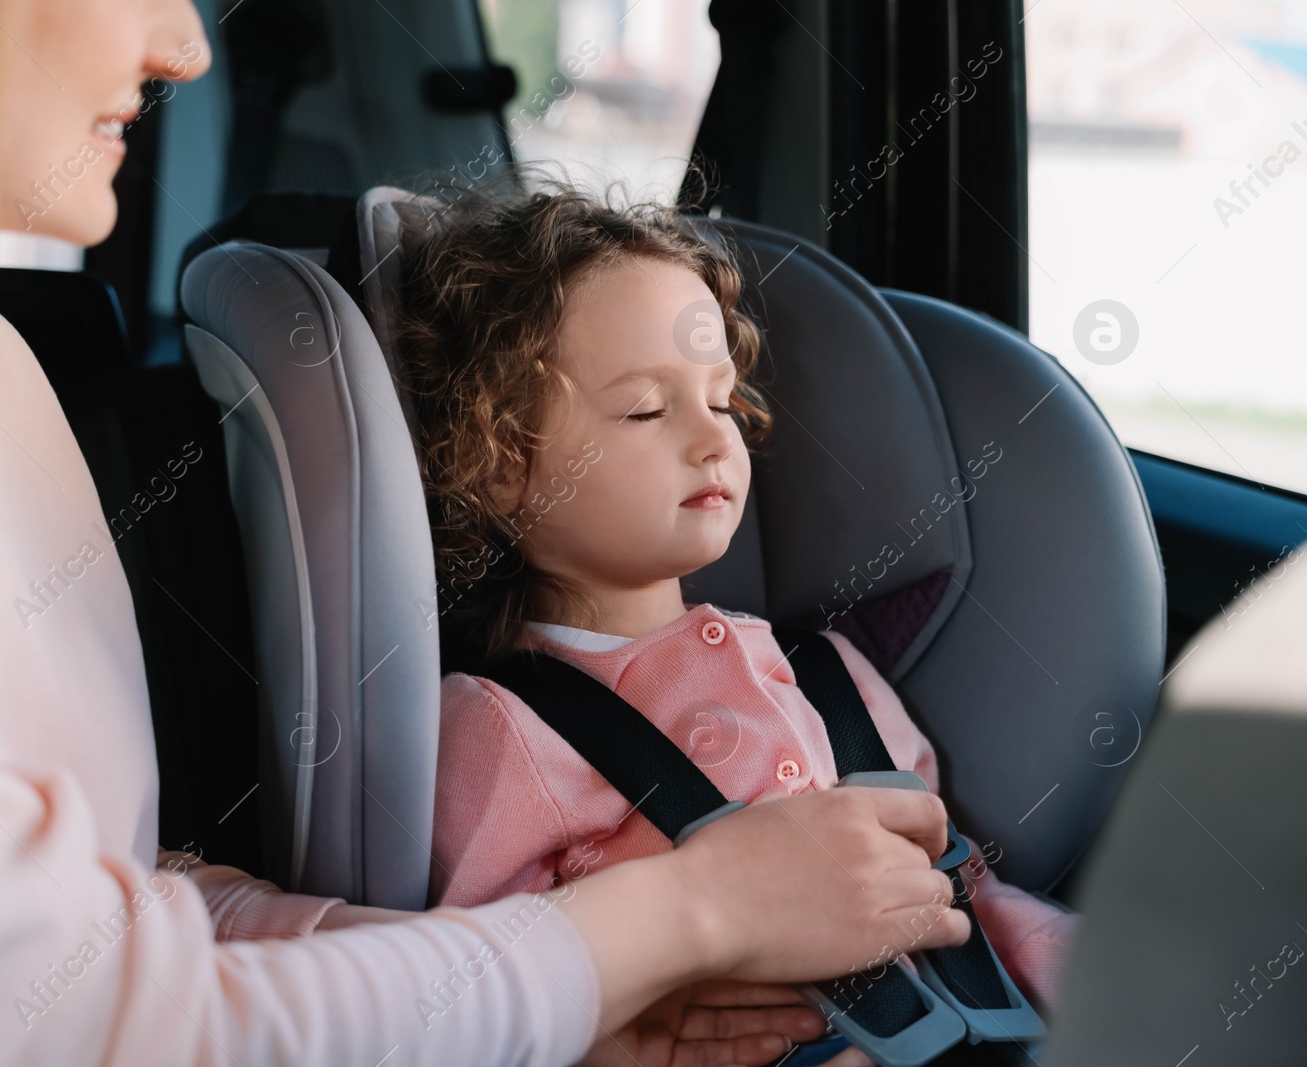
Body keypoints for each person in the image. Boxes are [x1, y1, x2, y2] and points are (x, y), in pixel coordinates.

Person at [0, 2, 970, 1064]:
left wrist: (552, 1000)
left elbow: (107, 910)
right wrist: (679, 916)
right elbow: (119, 1033)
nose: (183, 48)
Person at [399, 184, 1078, 1061]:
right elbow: (492, 993)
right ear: (494, 464)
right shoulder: (503, 727)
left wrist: (1061, 954)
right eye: (647, 409)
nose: (713, 438)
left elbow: (951, 879)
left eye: (721, 400)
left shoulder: (827, 674)